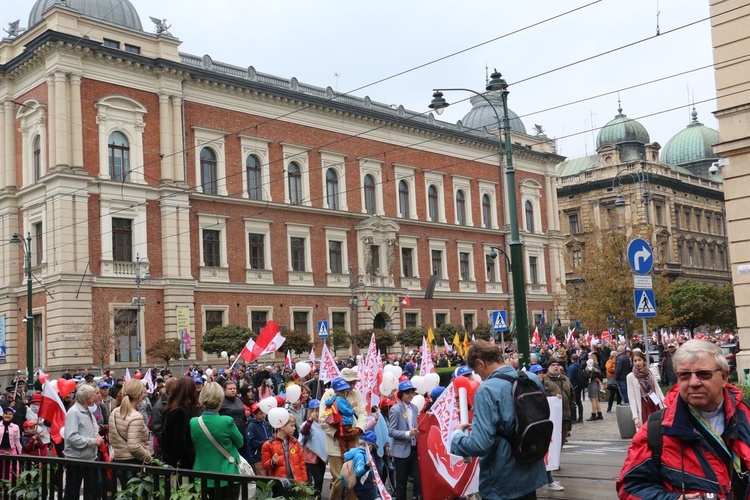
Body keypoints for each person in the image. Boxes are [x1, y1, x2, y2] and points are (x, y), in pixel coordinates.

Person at [617, 339, 750, 499]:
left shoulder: (746, 416)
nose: (693, 382)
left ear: (724, 377)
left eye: (703, 374)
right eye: (684, 375)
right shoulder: (656, 431)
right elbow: (630, 487)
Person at [451, 340, 547, 500]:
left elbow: (480, 445)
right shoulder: (531, 378)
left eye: (476, 371)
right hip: (531, 471)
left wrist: (456, 437)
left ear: (481, 363)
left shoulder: (487, 390)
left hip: (503, 480)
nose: (478, 376)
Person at [190, 381, 244, 499]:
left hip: (202, 476)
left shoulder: (193, 422)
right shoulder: (227, 421)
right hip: (227, 475)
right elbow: (240, 443)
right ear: (220, 399)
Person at [319, 370, 367, 500]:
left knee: (352, 478)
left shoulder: (356, 394)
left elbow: (363, 413)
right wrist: (338, 434)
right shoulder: (329, 395)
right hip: (335, 445)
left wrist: (358, 429)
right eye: (349, 382)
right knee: (340, 479)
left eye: (354, 383)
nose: (351, 386)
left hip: (353, 442)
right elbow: (322, 420)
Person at [109, 379, 152, 488]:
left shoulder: (114, 412)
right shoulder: (136, 416)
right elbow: (134, 447)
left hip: (118, 461)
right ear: (139, 395)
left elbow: (112, 438)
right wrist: (149, 458)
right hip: (133, 464)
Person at [63, 384, 103, 499]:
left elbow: (92, 428)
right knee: (72, 492)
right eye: (94, 394)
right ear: (88, 398)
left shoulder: (87, 410)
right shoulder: (73, 412)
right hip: (76, 459)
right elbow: (72, 437)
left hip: (90, 457)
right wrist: (93, 441)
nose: (97, 396)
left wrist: (97, 435)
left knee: (93, 489)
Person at [541, 359, 573, 492]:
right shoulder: (544, 380)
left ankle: (552, 465)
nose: (555, 367)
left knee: (560, 443)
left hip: (565, 416)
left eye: (557, 365)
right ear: (548, 368)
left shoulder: (565, 378)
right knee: (550, 445)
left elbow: (572, 396)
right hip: (550, 417)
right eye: (552, 365)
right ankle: (548, 472)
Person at [387, 380, 421, 500]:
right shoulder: (396, 409)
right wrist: (407, 433)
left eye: (412, 392)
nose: (411, 395)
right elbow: (391, 431)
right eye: (408, 393)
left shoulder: (415, 408)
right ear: (402, 394)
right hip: (401, 451)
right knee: (401, 482)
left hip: (414, 448)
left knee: (419, 479)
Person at [162, 376, 200, 469]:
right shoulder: (181, 412)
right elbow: (179, 441)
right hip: (181, 464)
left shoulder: (171, 409)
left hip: (174, 460)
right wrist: (189, 460)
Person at [626, 348, 666, 430]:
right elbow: (632, 398)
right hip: (643, 404)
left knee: (659, 428)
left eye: (639, 360)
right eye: (635, 361)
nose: (637, 363)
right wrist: (635, 417)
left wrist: (665, 405)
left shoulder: (650, 372)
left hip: (654, 399)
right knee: (646, 430)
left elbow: (658, 390)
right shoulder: (630, 376)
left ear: (643, 360)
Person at [261, 414, 308, 483]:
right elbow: (265, 465)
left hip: (296, 482)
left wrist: (304, 482)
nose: (294, 428)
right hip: (280, 483)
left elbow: (301, 464)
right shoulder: (268, 445)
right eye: (291, 426)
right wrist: (272, 462)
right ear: (282, 426)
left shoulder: (295, 443)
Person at [300, 398, 326, 499]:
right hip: (310, 456)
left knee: (321, 479)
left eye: (319, 409)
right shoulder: (307, 424)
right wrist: (310, 420)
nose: (318, 412)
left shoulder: (324, 424)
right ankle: (315, 496)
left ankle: (317, 495)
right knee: (317, 478)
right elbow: (304, 432)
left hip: (321, 456)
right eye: (315, 410)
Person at [342, 430, 379, 500]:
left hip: (365, 485)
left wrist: (371, 480)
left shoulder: (363, 454)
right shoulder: (360, 455)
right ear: (370, 446)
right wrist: (367, 466)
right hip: (363, 488)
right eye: (373, 448)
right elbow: (358, 472)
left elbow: (366, 474)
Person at [246, 402, 274, 475]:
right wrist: (265, 443)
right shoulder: (251, 426)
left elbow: (270, 435)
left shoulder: (266, 424)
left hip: (268, 455)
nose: (263, 415)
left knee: (270, 475)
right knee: (262, 476)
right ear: (254, 414)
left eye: (264, 413)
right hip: (257, 456)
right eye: (260, 413)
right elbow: (251, 442)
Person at [566, 353, 585, 423]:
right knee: (579, 402)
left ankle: (573, 418)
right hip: (579, 385)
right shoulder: (579, 366)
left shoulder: (571, 367)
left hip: (574, 386)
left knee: (573, 402)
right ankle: (580, 417)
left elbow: (569, 377)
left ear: (571, 359)